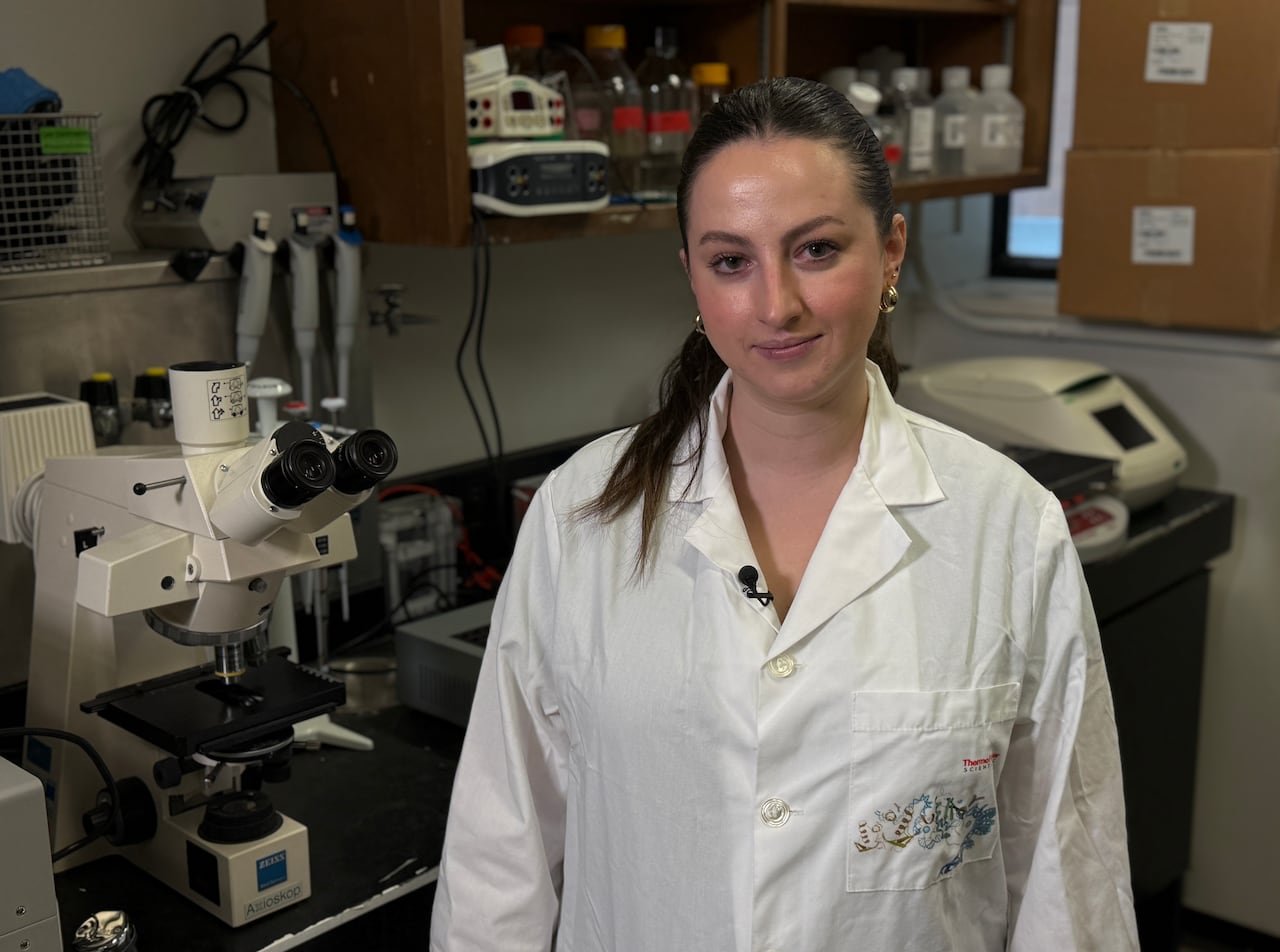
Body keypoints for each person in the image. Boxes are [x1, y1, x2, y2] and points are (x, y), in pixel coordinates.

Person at [430, 76, 1139, 951]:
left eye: (815, 250)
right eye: (732, 261)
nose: (776, 305)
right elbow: (499, 859)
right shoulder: (582, 515)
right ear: (691, 273)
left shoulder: (1007, 529)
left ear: (890, 253)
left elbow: (1070, 882)